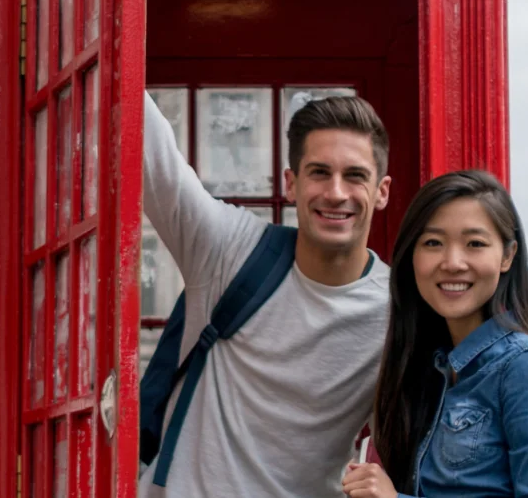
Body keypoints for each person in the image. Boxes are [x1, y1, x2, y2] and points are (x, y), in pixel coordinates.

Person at [140, 92, 392, 497]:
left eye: (355, 176)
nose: (336, 192)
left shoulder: (397, 313)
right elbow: (150, 146)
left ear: (381, 191)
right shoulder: (228, 249)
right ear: (290, 184)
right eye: (319, 172)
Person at [342, 170, 528, 498]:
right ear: (413, 256)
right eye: (433, 243)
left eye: (474, 244)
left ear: (507, 256)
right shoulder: (431, 367)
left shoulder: (524, 370)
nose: (452, 262)